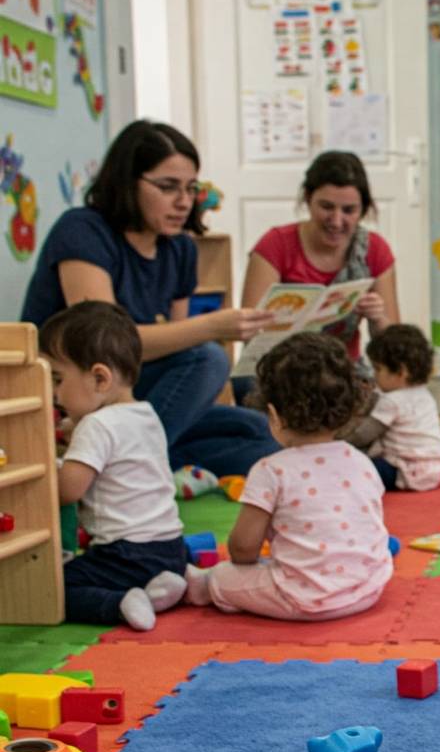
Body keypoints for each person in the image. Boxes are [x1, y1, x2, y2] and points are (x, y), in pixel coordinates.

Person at [22, 120, 279, 481]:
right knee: (207, 358)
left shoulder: (180, 249)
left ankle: (128, 461)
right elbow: (101, 350)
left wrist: (202, 332)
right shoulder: (82, 230)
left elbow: (171, 344)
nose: (183, 202)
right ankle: (127, 463)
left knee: (264, 432)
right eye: (168, 187)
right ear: (128, 182)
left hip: (135, 394)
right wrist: (212, 326)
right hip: (78, 391)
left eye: (191, 188)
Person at [185, 332, 393, 619]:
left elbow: (243, 549)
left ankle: (201, 588)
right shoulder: (362, 461)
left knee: (223, 576)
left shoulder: (271, 470)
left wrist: (245, 563)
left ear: (273, 414)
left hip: (304, 598)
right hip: (367, 589)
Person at [40, 302, 188, 631]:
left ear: (100, 378)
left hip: (125, 555)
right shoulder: (146, 414)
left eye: (58, 379)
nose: (53, 394)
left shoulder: (97, 426)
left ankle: (119, 604)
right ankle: (165, 587)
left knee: (53, 589)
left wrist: (49, 461)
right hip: (171, 547)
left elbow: (67, 491)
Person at [239, 151, 398, 401]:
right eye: (326, 207)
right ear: (308, 199)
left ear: (363, 210)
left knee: (392, 406)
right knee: (252, 394)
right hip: (283, 370)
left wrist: (378, 318)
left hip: (342, 372)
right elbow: (247, 330)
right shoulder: (276, 244)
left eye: (349, 210)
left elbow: (392, 344)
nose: (336, 221)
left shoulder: (374, 249)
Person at [344, 323, 440, 492]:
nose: (374, 375)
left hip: (404, 471)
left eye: (378, 369)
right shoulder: (424, 394)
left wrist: (336, 441)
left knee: (352, 465)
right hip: (433, 470)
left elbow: (363, 435)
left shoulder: (392, 401)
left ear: (401, 371)